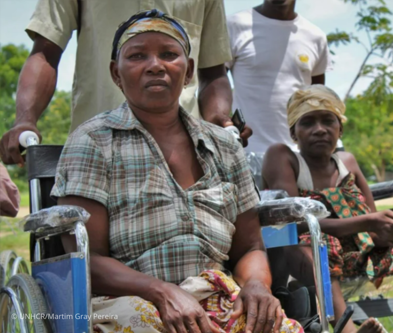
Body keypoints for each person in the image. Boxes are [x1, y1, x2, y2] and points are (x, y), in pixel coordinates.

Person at [51, 11, 302, 333]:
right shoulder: (93, 141)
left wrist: (257, 285)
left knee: (274, 325)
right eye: (137, 55)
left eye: (169, 55)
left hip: (215, 294)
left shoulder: (224, 147)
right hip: (127, 299)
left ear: (189, 72)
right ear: (116, 73)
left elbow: (250, 246)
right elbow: (88, 258)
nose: (155, 65)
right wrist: (162, 291)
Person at [262, 85, 393, 333]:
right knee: (316, 243)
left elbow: (371, 225)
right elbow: (294, 222)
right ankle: (347, 329)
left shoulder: (347, 162)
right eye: (307, 122)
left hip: (356, 251)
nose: (319, 129)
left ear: (340, 128)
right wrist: (369, 222)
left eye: (328, 120)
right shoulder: (283, 157)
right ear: (294, 133)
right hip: (305, 255)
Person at [1, 0, 252, 166]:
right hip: (97, 150)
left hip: (184, 154)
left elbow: (213, 71)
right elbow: (46, 52)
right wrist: (25, 119)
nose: (154, 66)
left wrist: (219, 118)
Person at [226, 0, 333, 154]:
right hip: (246, 153)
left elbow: (318, 101)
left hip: (300, 156)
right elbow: (214, 82)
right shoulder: (234, 25)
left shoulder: (315, 37)